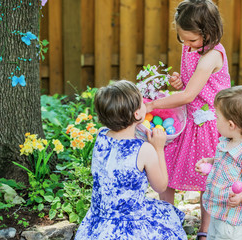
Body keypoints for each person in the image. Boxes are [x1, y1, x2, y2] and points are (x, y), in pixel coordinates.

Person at [145, 0, 230, 239]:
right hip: (188, 116)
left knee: (207, 177)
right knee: (168, 166)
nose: (187, 45)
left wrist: (151, 104)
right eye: (182, 39)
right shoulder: (191, 48)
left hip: (207, 122)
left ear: (209, 32)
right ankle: (168, 220)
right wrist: (179, 82)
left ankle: (205, 230)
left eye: (192, 40)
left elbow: (190, 95)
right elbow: (188, 85)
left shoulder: (212, 56)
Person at [75, 80, 187, 240]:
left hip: (100, 220)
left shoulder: (101, 135)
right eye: (142, 102)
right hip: (130, 224)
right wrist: (158, 148)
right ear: (137, 114)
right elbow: (161, 186)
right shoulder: (143, 150)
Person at [195, 85, 242, 240]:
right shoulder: (228, 141)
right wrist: (211, 162)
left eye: (217, 117)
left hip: (235, 223)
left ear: (231, 125)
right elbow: (226, 163)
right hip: (219, 211)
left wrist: (241, 197)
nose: (215, 120)